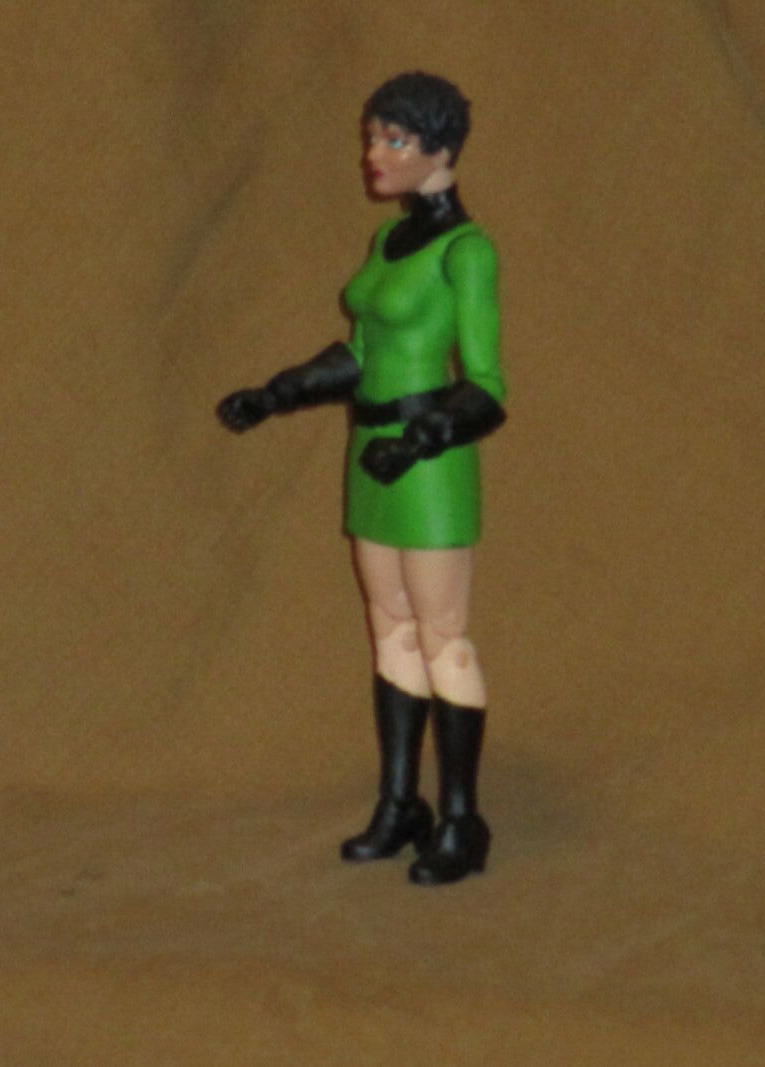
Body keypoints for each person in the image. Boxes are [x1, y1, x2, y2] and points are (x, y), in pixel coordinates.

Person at [217, 71, 506, 885]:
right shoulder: (389, 242)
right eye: (374, 137)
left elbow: (487, 386)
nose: (375, 154)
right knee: (391, 628)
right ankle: (399, 802)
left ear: (441, 151)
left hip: (428, 467)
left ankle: (462, 818)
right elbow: (361, 354)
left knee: (443, 635)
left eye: (395, 140)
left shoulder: (468, 251)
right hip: (373, 454)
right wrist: (277, 393)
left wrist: (419, 441)